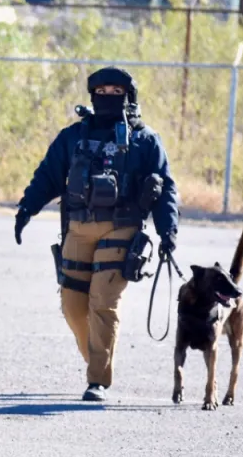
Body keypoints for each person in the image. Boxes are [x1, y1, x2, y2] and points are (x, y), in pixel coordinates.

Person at [14, 67, 178, 402]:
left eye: (116, 92)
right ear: (92, 95)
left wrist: (168, 232)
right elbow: (48, 175)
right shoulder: (73, 137)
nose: (108, 97)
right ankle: (97, 358)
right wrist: (26, 209)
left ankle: (97, 380)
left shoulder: (145, 140)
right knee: (73, 307)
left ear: (128, 96)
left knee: (103, 302)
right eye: (101, 91)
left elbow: (165, 187)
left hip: (122, 229)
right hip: (78, 228)